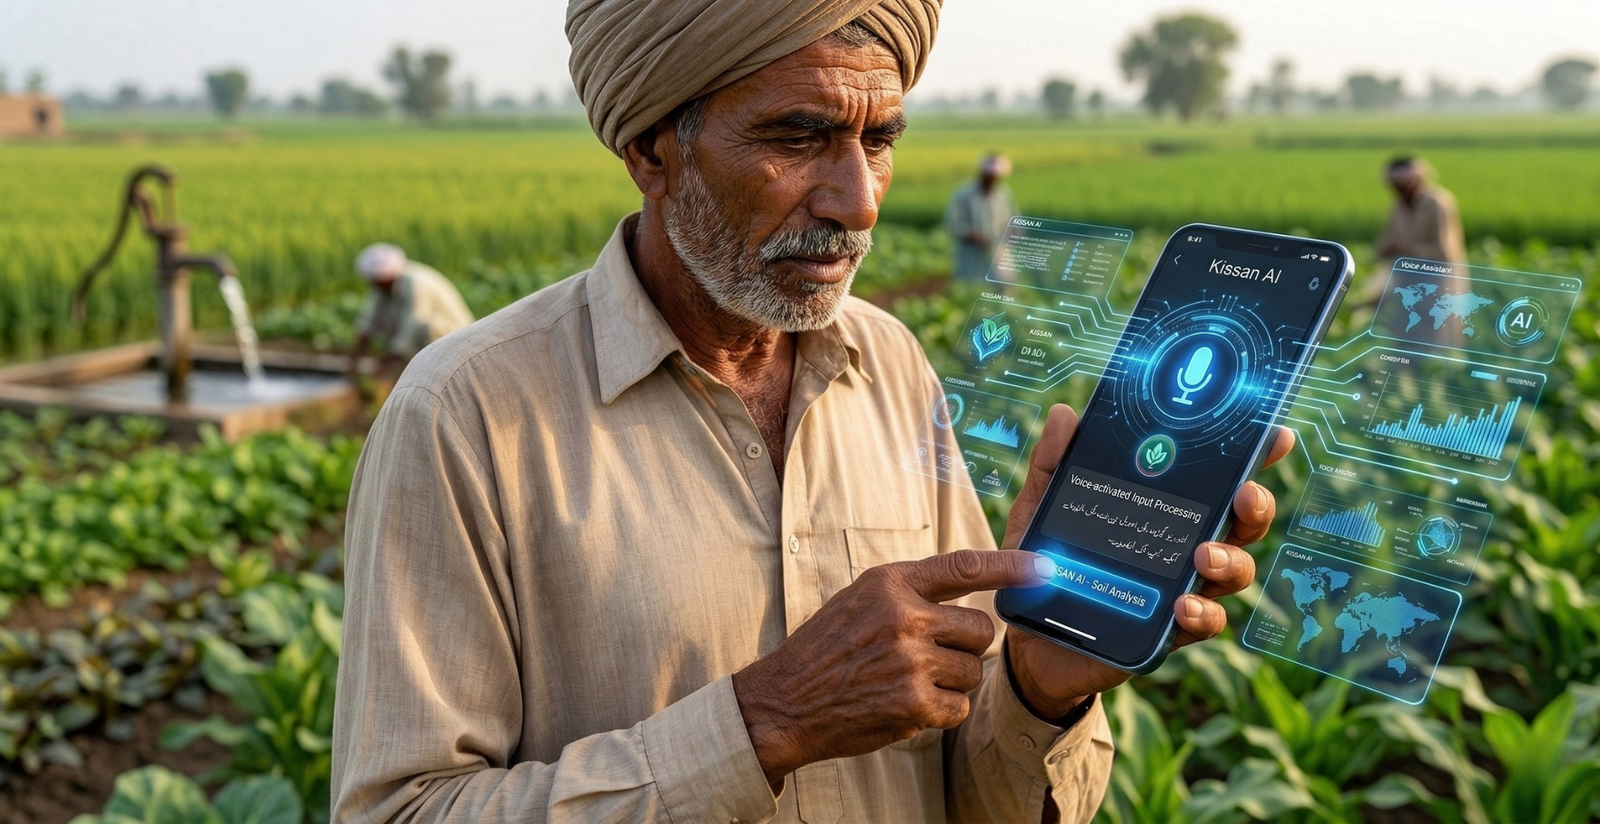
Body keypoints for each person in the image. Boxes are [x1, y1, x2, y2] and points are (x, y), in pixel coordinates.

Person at [332, 3, 1289, 822]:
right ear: (651, 151)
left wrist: (1036, 685)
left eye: (878, 141)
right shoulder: (464, 414)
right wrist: (768, 722)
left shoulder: (893, 366)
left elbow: (967, 792)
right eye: (797, 139)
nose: (859, 202)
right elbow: (401, 808)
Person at [345, 242, 474, 379]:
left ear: (387, 278)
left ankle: (435, 372)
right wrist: (354, 360)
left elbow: (413, 322)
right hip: (427, 337)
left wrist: (387, 361)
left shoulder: (416, 282)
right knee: (388, 319)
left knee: (427, 326)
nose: (375, 286)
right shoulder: (383, 288)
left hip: (454, 336)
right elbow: (368, 322)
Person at [1376, 156, 1467, 266]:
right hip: (1408, 270)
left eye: (1404, 183)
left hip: (1440, 273)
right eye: (1394, 184)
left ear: (1418, 180)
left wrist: (1406, 250)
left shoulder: (1438, 203)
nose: (1398, 189)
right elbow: (1389, 240)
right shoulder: (1399, 204)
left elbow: (1445, 251)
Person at [944, 153, 1016, 280]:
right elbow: (953, 222)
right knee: (970, 284)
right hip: (970, 253)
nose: (992, 180)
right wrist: (970, 234)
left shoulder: (1003, 194)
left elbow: (1012, 221)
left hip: (997, 251)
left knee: (1002, 282)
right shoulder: (964, 194)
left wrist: (1010, 236)